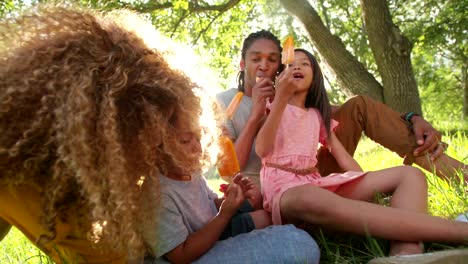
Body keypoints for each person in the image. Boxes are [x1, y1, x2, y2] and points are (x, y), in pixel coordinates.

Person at [0, 5, 321, 264]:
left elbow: (201, 205)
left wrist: (230, 206)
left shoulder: (154, 172)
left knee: (293, 238)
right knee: (296, 245)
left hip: (187, 238)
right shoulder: (15, 184)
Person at [255, 48, 468, 257]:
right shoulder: (271, 106)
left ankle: (405, 254)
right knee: (310, 197)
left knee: (411, 175)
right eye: (291, 64)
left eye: (305, 63)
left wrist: (365, 185)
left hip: (316, 183)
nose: (297, 67)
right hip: (286, 190)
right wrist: (281, 99)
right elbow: (262, 149)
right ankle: (460, 231)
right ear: (280, 76)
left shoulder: (317, 115)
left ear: (315, 77)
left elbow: (342, 157)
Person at [215, 30, 467, 188]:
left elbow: (343, 111)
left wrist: (412, 117)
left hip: (308, 175)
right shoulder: (224, 103)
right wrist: (256, 115)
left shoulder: (294, 100)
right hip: (264, 189)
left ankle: (457, 175)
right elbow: (228, 171)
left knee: (359, 104)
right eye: (256, 58)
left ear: (282, 65)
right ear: (241, 63)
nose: (263, 66)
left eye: (272, 60)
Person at [147, 113, 272, 263]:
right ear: (156, 149)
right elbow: (180, 255)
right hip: (195, 245)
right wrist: (224, 214)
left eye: (198, 139)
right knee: (263, 220)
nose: (197, 148)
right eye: (185, 141)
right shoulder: (158, 194)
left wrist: (231, 199)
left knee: (262, 210)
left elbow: (210, 204)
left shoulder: (192, 172)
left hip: (215, 226)